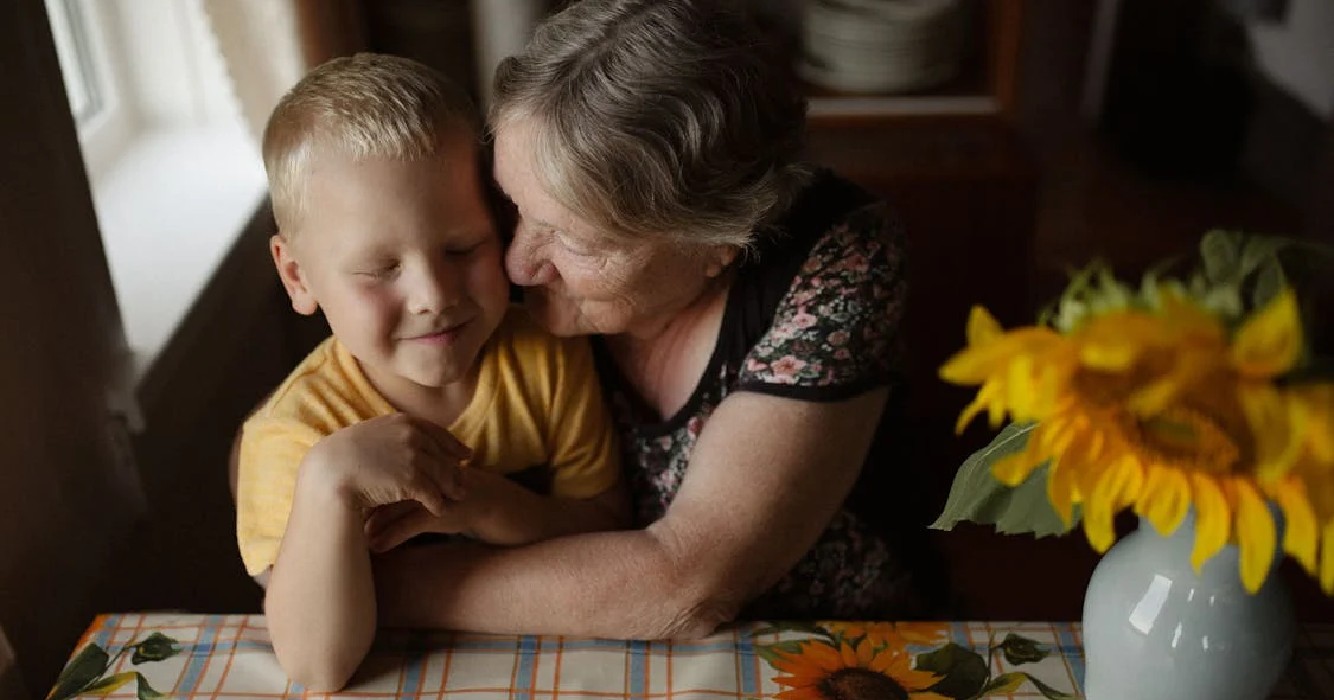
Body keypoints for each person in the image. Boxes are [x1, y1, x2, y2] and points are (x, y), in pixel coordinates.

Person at [365, 0, 946, 637]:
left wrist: (365, 590)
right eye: (510, 202)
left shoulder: (838, 253)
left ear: (720, 240)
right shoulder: (484, 245)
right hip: (559, 644)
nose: (518, 265)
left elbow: (688, 587)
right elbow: (334, 397)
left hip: (831, 647)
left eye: (577, 242)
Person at [234, 53, 626, 691]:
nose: (433, 295)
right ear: (297, 276)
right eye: (380, 268)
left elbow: (607, 526)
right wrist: (331, 482)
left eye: (462, 248)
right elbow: (316, 666)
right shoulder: (296, 435)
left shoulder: (549, 358)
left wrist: (480, 503)